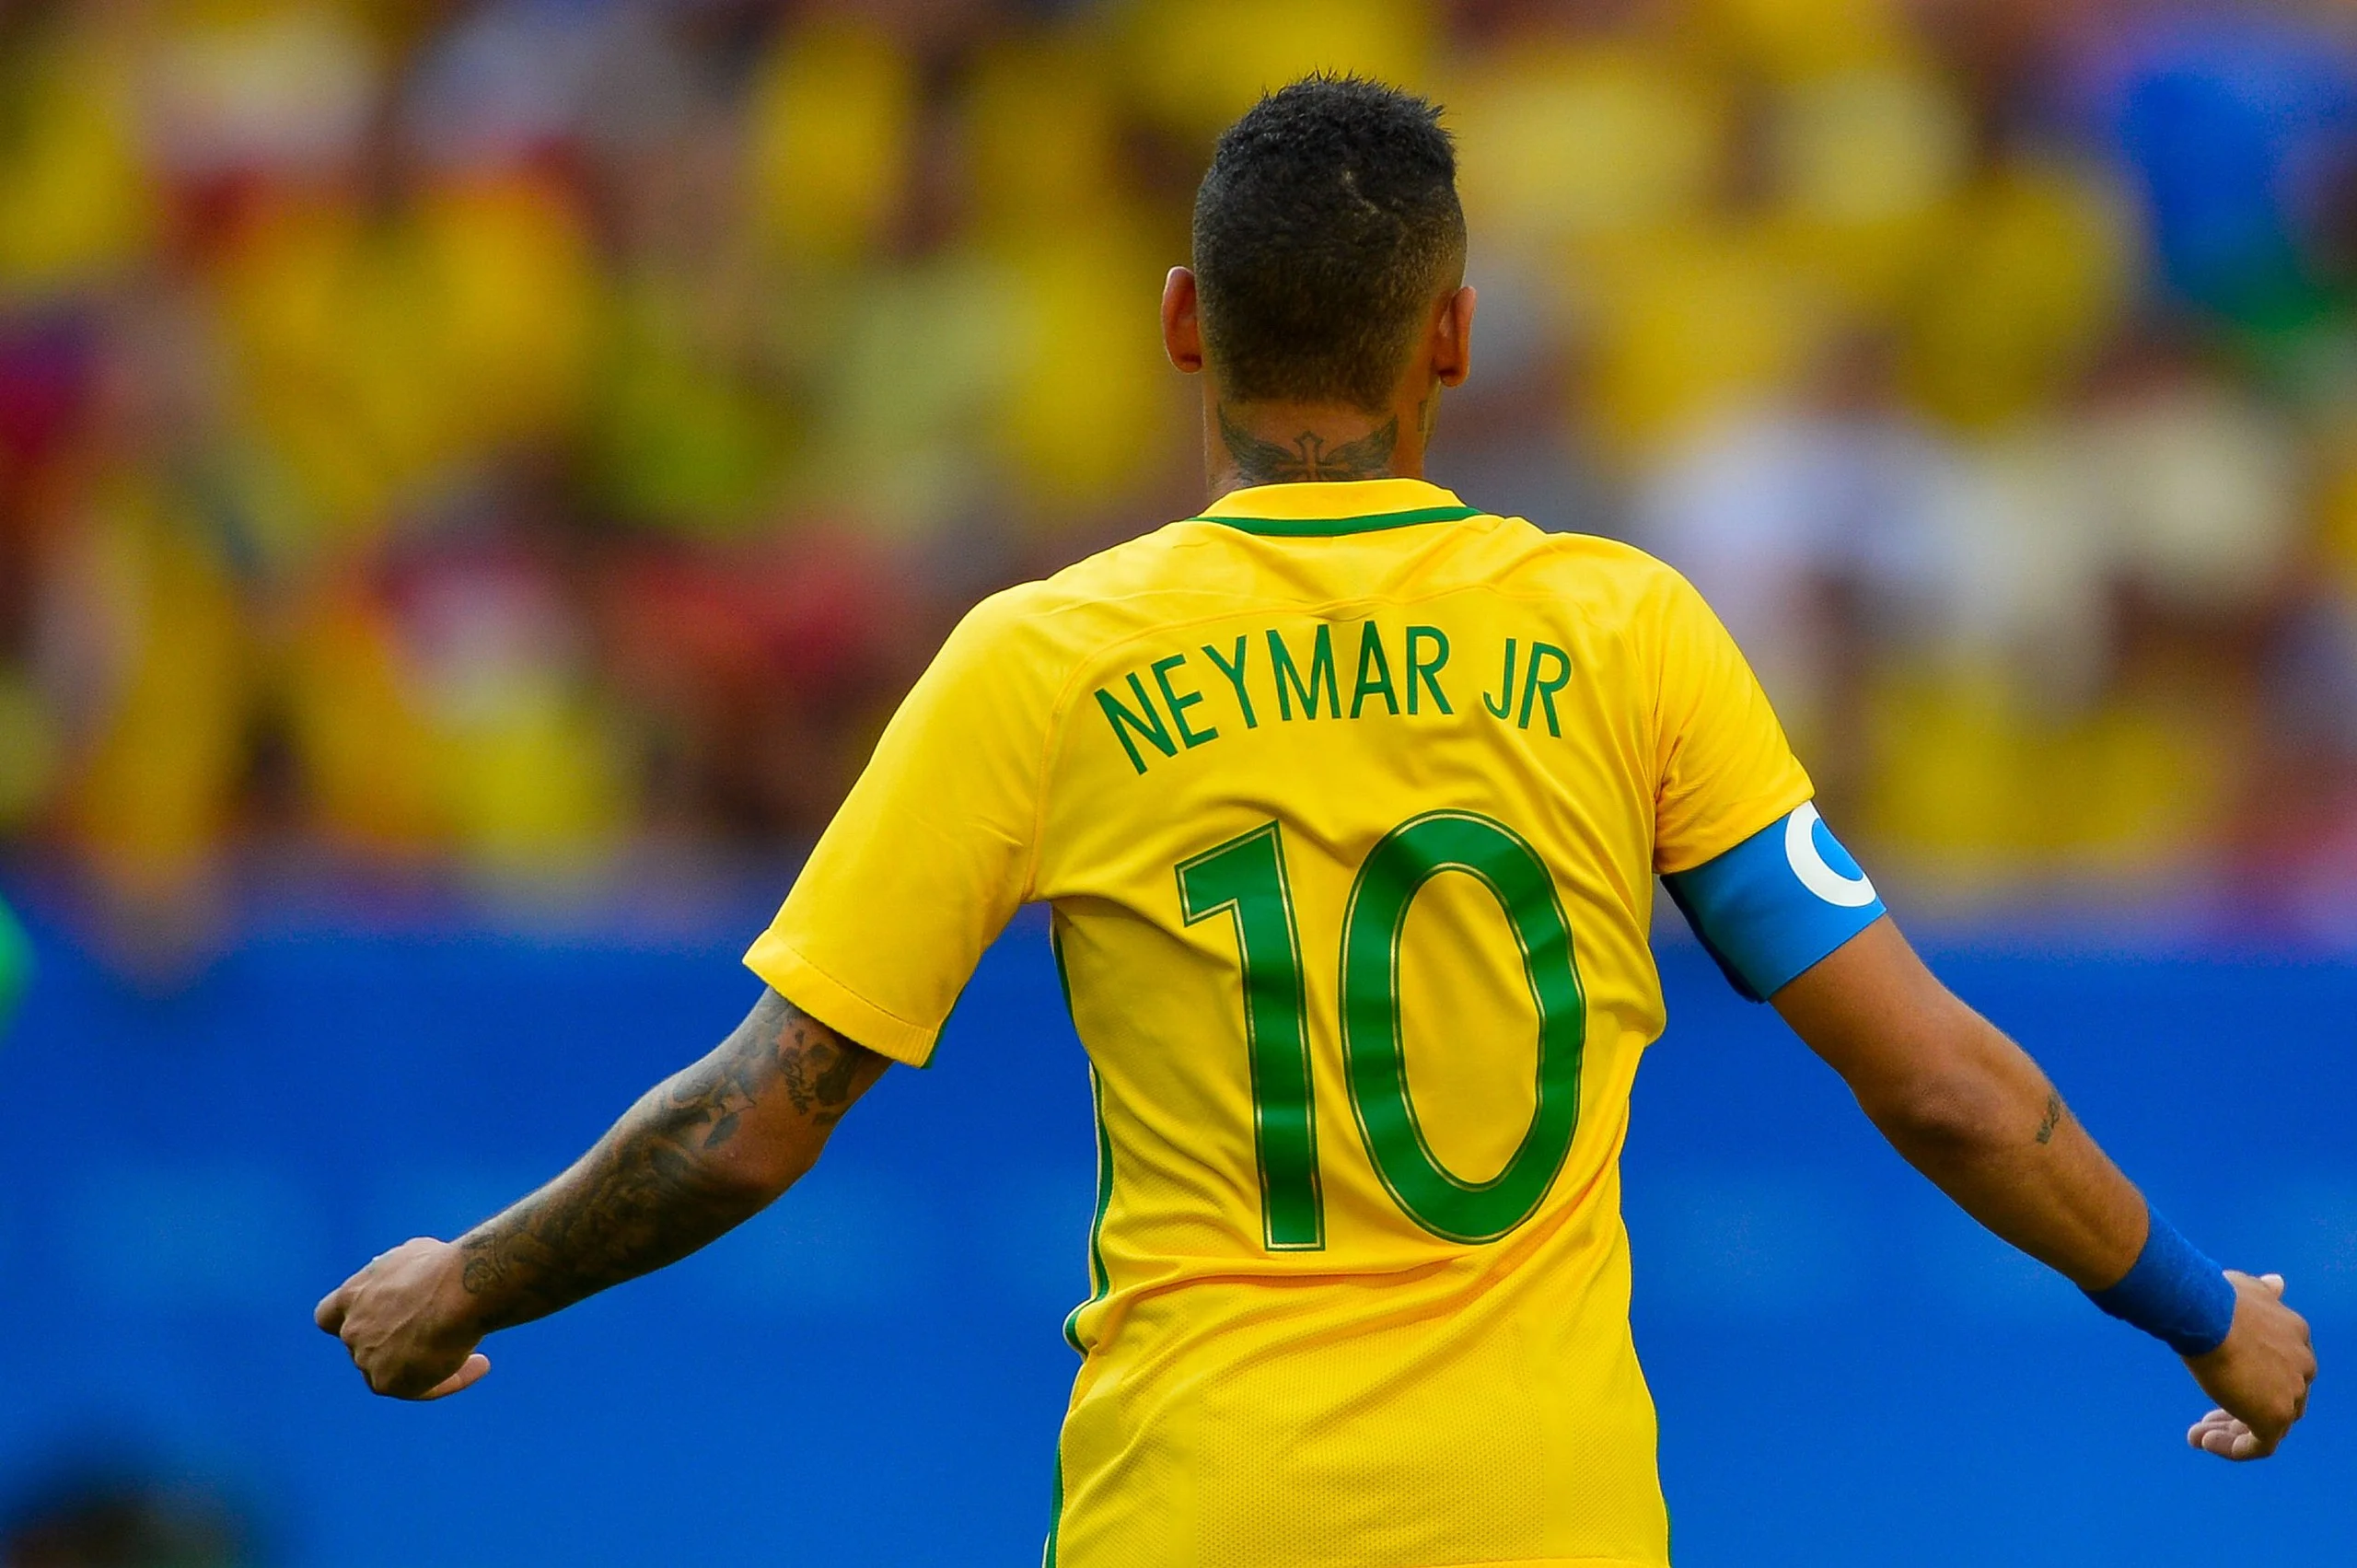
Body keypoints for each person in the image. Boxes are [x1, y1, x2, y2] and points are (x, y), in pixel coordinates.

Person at [317, 76, 2316, 1568]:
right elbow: (1951, 1091)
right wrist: (2199, 1306)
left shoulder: (1047, 659)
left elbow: (754, 1114)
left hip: (1197, 1509)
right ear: (1446, 336)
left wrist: (461, 1282)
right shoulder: (1624, 635)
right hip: (1546, 1525)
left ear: (1186, 321)